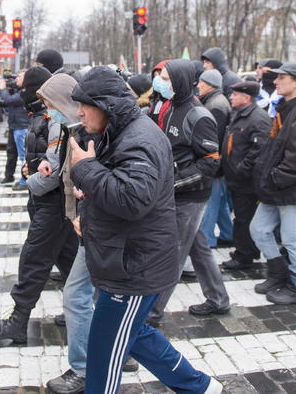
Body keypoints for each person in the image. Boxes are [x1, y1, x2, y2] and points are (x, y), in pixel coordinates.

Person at [64, 66, 221, 394]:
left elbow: (131, 199)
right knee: (135, 334)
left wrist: (86, 169)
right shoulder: (120, 130)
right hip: (126, 259)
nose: (78, 112)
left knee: (104, 352)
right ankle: (199, 387)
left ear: (106, 105)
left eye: (84, 105)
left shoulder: (139, 137)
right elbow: (120, 186)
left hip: (134, 267)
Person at [0, 69, 78, 343]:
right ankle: (80, 309)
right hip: (47, 200)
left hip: (54, 202)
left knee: (34, 259)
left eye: (24, 86)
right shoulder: (41, 115)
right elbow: (43, 156)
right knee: (69, 259)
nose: (20, 91)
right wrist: (31, 168)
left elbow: (55, 170)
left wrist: (31, 180)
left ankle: (18, 321)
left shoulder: (59, 121)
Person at [148, 59, 230, 320]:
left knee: (173, 254)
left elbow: (210, 163)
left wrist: (173, 182)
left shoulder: (199, 115)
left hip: (190, 196)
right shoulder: (171, 106)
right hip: (175, 192)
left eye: (166, 78)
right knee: (197, 247)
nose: (160, 82)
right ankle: (218, 299)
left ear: (180, 81)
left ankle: (152, 312)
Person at [250, 61, 296, 305]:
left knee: (293, 238)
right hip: (277, 186)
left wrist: (275, 178)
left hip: (292, 188)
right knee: (259, 230)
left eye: (282, 78)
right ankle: (278, 274)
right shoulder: (286, 107)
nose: (276, 81)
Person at [220, 81, 271, 270]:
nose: (231, 97)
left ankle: (244, 256)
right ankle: (246, 249)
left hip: (247, 180)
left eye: (235, 94)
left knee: (244, 218)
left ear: (246, 97)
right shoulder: (240, 114)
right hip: (236, 178)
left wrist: (242, 168)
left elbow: (260, 148)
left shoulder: (258, 118)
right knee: (241, 216)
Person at [197, 69, 234, 248]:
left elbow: (216, 138)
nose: (198, 85)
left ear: (210, 85)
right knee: (220, 202)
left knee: (211, 202)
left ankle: (207, 239)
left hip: (215, 163)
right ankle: (228, 234)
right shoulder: (214, 101)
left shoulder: (216, 104)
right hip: (218, 163)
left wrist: (210, 162)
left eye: (201, 82)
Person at [0, 70, 29, 185]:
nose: (16, 79)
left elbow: (9, 100)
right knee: (11, 153)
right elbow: (7, 103)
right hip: (14, 125)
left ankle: (25, 180)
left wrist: (3, 89)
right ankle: (9, 176)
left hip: (21, 127)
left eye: (19, 77)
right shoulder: (19, 90)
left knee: (23, 156)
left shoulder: (25, 92)